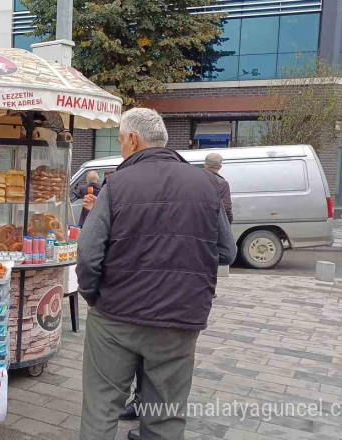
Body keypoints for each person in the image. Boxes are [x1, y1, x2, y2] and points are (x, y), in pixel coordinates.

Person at [76, 108, 236, 440]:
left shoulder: (117, 184)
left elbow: (88, 254)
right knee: (165, 415)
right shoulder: (208, 184)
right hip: (180, 317)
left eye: (120, 140)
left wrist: (93, 296)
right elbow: (227, 251)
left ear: (132, 139)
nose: (121, 148)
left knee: (101, 408)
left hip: (116, 315)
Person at [203, 152, 233, 223]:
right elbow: (226, 207)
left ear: (204, 164)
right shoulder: (222, 183)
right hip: (213, 223)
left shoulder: (195, 179)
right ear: (220, 166)